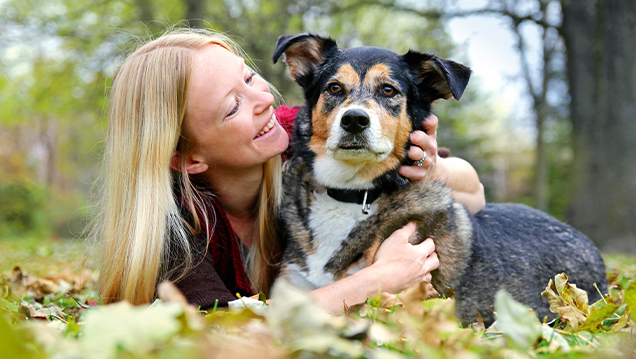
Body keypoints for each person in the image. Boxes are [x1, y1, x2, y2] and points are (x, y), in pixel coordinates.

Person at [93, 28, 485, 314]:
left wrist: (430, 166)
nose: (262, 99)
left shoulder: (298, 130)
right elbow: (217, 336)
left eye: (249, 77)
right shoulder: (170, 226)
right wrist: (376, 281)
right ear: (188, 157)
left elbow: (473, 194)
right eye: (232, 106)